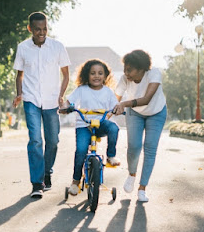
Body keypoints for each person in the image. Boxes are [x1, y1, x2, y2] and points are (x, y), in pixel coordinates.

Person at [12, 11, 71, 199]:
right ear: (30, 29)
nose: (42, 32)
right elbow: (19, 75)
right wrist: (19, 94)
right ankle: (37, 183)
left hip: (52, 101)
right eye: (37, 29)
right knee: (36, 140)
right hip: (30, 100)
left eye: (45, 28)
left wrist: (61, 95)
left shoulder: (57, 47)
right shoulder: (22, 48)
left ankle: (47, 172)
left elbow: (66, 74)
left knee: (53, 141)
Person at [113, 49, 167, 202]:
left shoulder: (154, 74)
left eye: (129, 70)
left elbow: (147, 99)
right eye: (125, 69)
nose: (126, 73)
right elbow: (114, 99)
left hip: (156, 112)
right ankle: (131, 174)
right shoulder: (125, 79)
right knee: (134, 146)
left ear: (142, 68)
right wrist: (108, 113)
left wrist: (124, 103)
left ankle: (142, 188)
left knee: (150, 148)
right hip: (135, 113)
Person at [64, 59, 121, 196]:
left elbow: (115, 105)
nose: (96, 76)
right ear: (86, 75)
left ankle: (110, 156)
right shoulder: (81, 90)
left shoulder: (107, 91)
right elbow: (68, 102)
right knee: (81, 151)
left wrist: (117, 109)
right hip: (84, 125)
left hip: (100, 123)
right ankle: (75, 182)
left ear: (105, 76)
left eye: (100, 73)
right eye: (93, 73)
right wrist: (66, 108)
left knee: (114, 128)